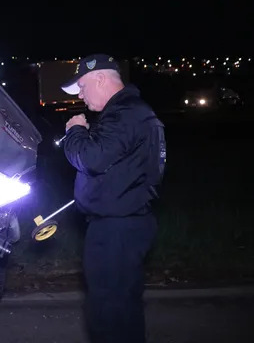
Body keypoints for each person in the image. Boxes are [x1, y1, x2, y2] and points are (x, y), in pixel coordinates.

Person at [60, 54, 166, 343]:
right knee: (121, 312)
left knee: (108, 317)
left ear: (101, 78)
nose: (80, 95)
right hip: (125, 225)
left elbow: (90, 158)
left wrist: (76, 131)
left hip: (116, 230)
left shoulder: (125, 114)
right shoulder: (133, 113)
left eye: (82, 86)